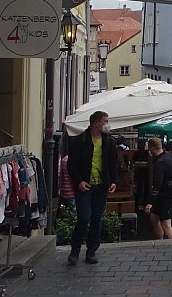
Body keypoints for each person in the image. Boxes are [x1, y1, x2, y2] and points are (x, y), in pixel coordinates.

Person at [65, 111, 118, 265]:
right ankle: (75, 250)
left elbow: (112, 164)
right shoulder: (80, 140)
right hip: (85, 186)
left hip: (101, 186)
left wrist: (113, 181)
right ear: (96, 123)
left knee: (96, 219)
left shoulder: (109, 142)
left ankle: (91, 251)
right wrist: (79, 181)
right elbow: (71, 164)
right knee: (83, 218)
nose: (108, 124)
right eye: (105, 121)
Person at [143, 138, 172, 240]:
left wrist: (150, 202)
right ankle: (159, 241)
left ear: (152, 148)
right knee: (154, 217)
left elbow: (157, 184)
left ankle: (171, 245)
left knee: (166, 223)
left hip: (165, 195)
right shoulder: (168, 156)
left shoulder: (160, 162)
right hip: (167, 193)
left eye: (149, 148)